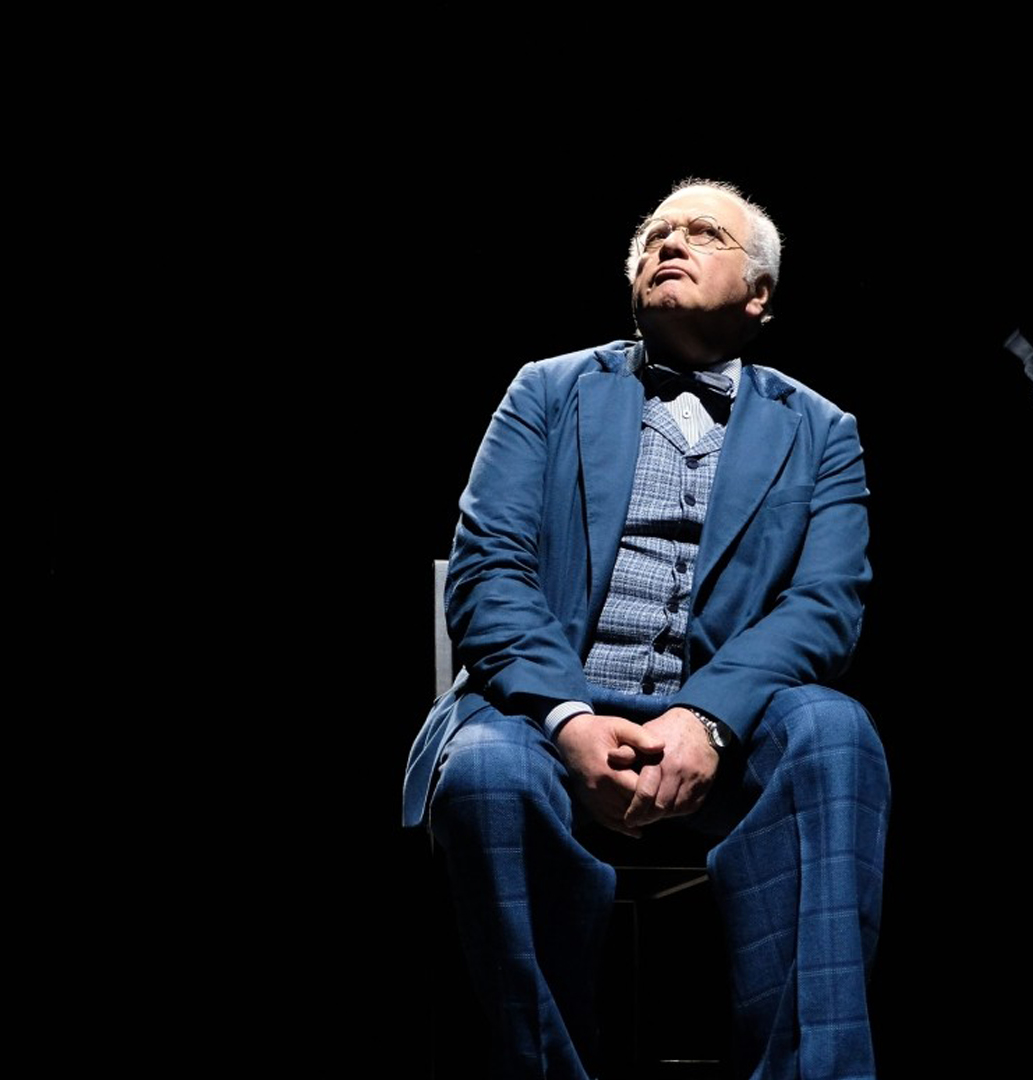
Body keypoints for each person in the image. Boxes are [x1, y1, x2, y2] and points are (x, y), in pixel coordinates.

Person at [402, 179, 891, 1079]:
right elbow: (487, 572)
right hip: (542, 713)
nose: (668, 243)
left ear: (759, 294)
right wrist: (568, 718)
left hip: (729, 731)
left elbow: (825, 605)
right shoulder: (546, 390)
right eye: (656, 234)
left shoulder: (823, 431)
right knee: (483, 774)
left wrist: (706, 719)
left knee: (834, 734)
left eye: (702, 233)